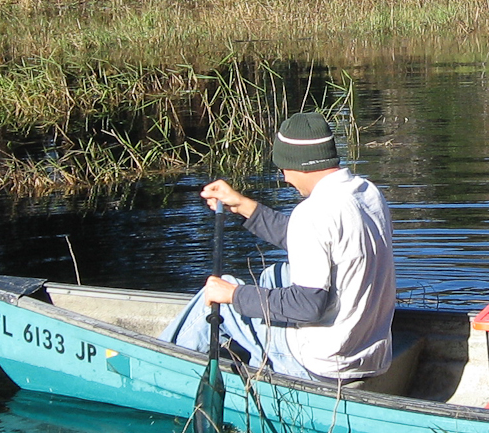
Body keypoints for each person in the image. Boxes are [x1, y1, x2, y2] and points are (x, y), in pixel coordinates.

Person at [164, 112, 397, 384]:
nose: (285, 178)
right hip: (369, 353)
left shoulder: (313, 212)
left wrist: (234, 295)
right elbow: (312, 240)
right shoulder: (365, 192)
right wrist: (241, 205)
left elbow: (308, 306)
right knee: (276, 275)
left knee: (219, 294)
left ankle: (159, 365)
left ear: (299, 165)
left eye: (284, 168)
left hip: (322, 364)